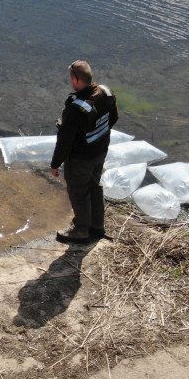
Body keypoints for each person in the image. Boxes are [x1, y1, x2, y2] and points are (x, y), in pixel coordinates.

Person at [49, 60, 118, 243]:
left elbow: (64, 142)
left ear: (75, 79)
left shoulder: (75, 109)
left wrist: (55, 164)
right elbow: (113, 119)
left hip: (81, 159)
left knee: (78, 192)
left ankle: (81, 230)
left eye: (71, 78)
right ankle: (97, 227)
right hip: (100, 151)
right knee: (95, 187)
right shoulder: (106, 93)